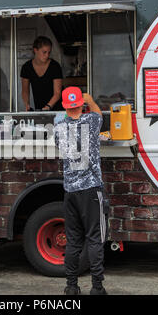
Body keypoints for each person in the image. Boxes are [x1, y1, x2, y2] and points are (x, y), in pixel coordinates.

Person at [54, 86, 108, 295]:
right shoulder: (91, 121)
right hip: (91, 190)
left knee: (73, 241)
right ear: (80, 104)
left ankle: (71, 286)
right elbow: (99, 113)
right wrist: (90, 99)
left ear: (66, 106)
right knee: (95, 239)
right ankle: (97, 287)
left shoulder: (58, 126)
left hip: (70, 191)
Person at [21, 36, 63, 111]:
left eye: (49, 52)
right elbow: (25, 90)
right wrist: (27, 104)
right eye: (44, 52)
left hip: (58, 108)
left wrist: (48, 106)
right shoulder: (26, 67)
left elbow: (58, 93)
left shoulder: (55, 66)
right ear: (35, 50)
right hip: (40, 108)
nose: (47, 55)